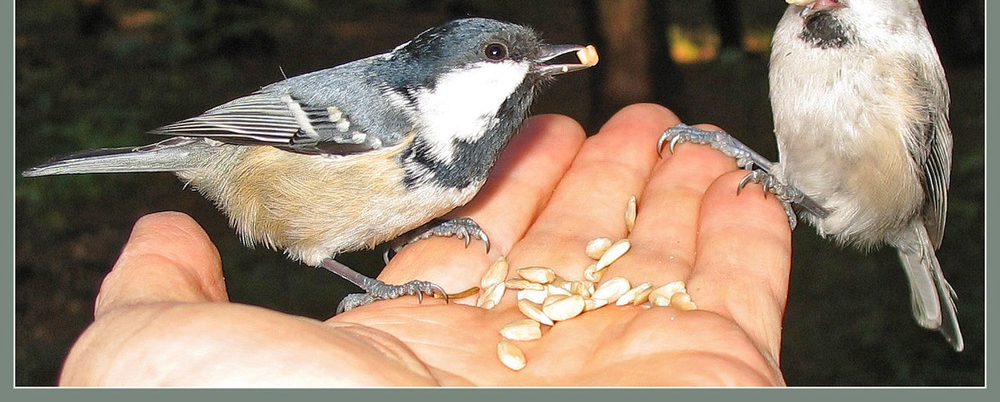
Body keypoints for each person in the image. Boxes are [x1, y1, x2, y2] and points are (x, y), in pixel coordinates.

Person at [56, 103, 791, 386]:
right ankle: (374, 284)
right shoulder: (389, 116)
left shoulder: (453, 154)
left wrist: (427, 225)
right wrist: (383, 293)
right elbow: (279, 127)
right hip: (255, 159)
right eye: (505, 55)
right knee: (322, 252)